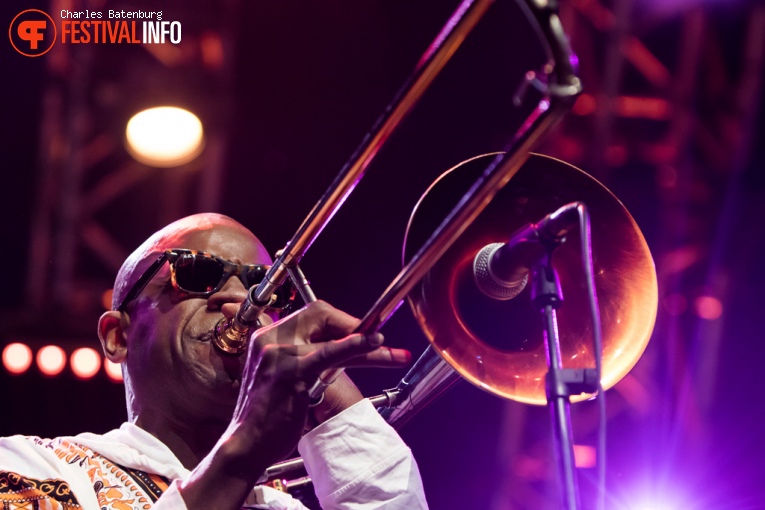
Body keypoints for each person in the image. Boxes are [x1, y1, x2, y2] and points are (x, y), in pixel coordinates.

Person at [0, 213, 428, 509]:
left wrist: (338, 408)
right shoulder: (28, 466)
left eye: (267, 288)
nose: (241, 300)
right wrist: (243, 453)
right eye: (199, 275)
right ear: (118, 336)